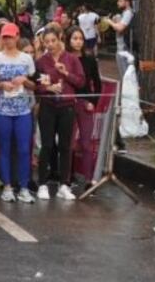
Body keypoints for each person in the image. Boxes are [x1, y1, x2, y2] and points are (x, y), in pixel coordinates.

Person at [34, 27, 86, 201]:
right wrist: (49, 88)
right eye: (46, 42)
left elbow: (80, 82)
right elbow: (38, 86)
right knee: (47, 145)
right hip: (48, 106)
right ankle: (42, 183)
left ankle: (64, 184)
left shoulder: (71, 59)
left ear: (59, 39)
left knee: (65, 146)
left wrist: (65, 73)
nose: (50, 45)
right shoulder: (41, 61)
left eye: (53, 41)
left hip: (67, 106)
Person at [0, 23, 37, 203]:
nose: (8, 40)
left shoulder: (26, 59)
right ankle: (7, 186)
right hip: (1, 108)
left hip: (23, 109)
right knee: (5, 148)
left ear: (17, 37)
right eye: (5, 37)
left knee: (24, 149)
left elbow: (34, 85)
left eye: (11, 36)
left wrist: (24, 80)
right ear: (1, 38)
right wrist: (2, 85)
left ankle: (24, 187)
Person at [66, 26, 101, 185]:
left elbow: (97, 83)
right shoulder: (64, 58)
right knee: (69, 143)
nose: (78, 41)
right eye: (74, 38)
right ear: (68, 40)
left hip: (85, 103)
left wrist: (93, 102)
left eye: (80, 38)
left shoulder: (89, 59)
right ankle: (67, 177)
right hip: (68, 103)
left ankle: (88, 178)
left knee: (87, 143)